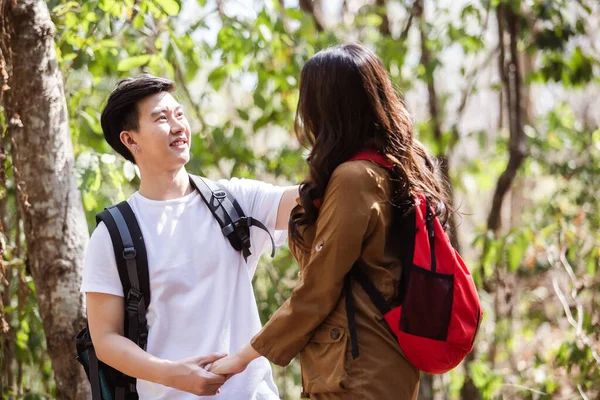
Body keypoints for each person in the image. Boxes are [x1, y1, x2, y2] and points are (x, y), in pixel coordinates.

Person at [210, 43, 453, 399]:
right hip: (376, 365)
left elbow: (319, 288)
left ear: (327, 108)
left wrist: (242, 358)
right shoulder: (390, 168)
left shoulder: (355, 178)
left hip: (355, 371)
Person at [81, 75, 298, 399]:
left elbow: (313, 200)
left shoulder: (233, 201)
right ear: (130, 139)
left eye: (179, 115)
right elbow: (106, 339)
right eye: (161, 119)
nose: (178, 126)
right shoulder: (114, 233)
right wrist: (171, 375)